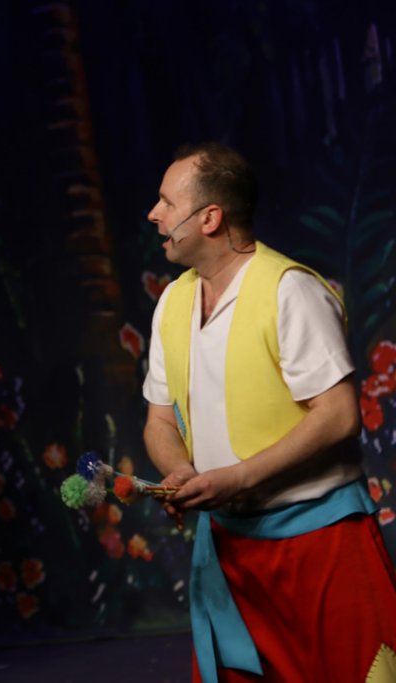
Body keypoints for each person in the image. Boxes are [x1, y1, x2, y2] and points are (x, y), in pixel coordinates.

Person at [141, 142, 396, 682]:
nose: (153, 214)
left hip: (321, 542)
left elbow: (338, 415)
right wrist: (180, 471)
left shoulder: (290, 291)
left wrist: (235, 478)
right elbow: (159, 420)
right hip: (229, 550)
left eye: (167, 202)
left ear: (210, 218)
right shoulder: (173, 303)